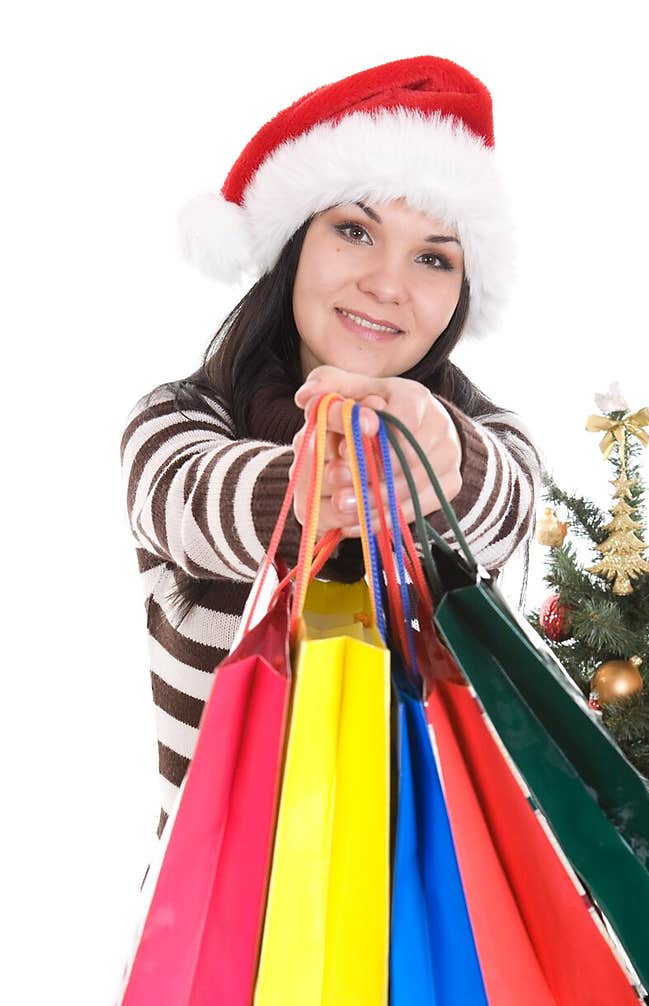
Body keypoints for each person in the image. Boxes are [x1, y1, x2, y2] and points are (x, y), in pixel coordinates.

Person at [120, 55, 545, 839]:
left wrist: (440, 458)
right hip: (220, 932)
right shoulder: (174, 424)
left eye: (433, 257)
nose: (389, 284)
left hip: (426, 937)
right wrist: (339, 468)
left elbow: (506, 502)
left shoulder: (489, 443)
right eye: (355, 230)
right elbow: (198, 499)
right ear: (294, 249)